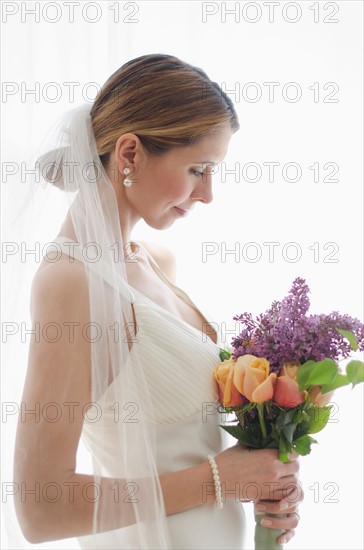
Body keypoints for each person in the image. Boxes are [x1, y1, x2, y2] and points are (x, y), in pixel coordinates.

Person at [12, 54, 302, 549]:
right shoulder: (72, 283)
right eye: (198, 169)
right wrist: (221, 479)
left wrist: (261, 481)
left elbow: (184, 448)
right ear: (129, 154)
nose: (208, 194)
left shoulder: (156, 261)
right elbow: (41, 509)